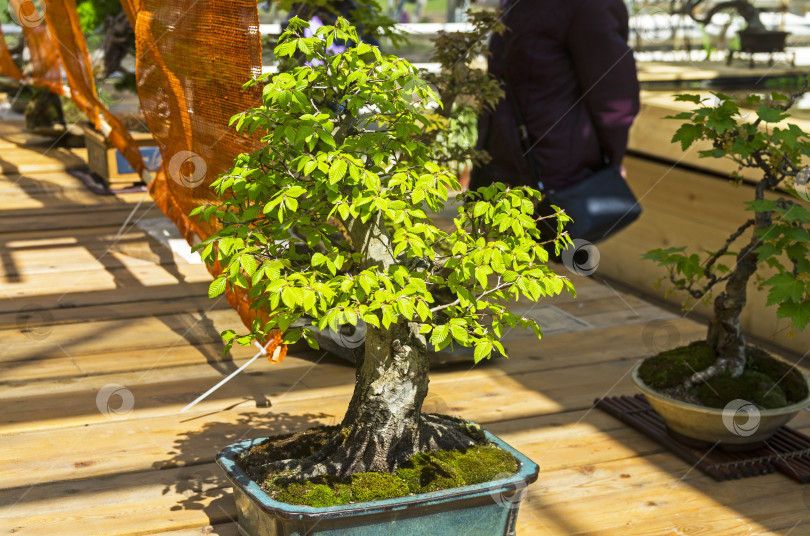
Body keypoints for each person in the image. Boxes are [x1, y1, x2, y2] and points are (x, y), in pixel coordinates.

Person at [469, 0, 641, 241]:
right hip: (550, 169)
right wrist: (612, 161)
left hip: (506, 155)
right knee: (541, 264)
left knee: (502, 262)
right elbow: (614, 96)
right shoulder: (589, 6)